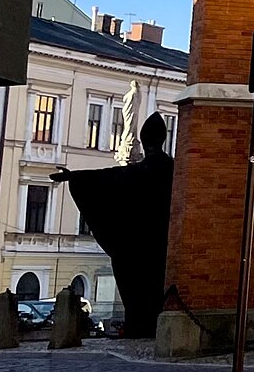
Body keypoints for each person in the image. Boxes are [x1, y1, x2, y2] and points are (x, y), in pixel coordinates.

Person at [51, 111, 173, 339]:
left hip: (138, 246)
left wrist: (73, 178)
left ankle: (139, 324)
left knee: (134, 281)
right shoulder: (172, 169)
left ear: (146, 142)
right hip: (165, 245)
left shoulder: (140, 172)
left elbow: (106, 179)